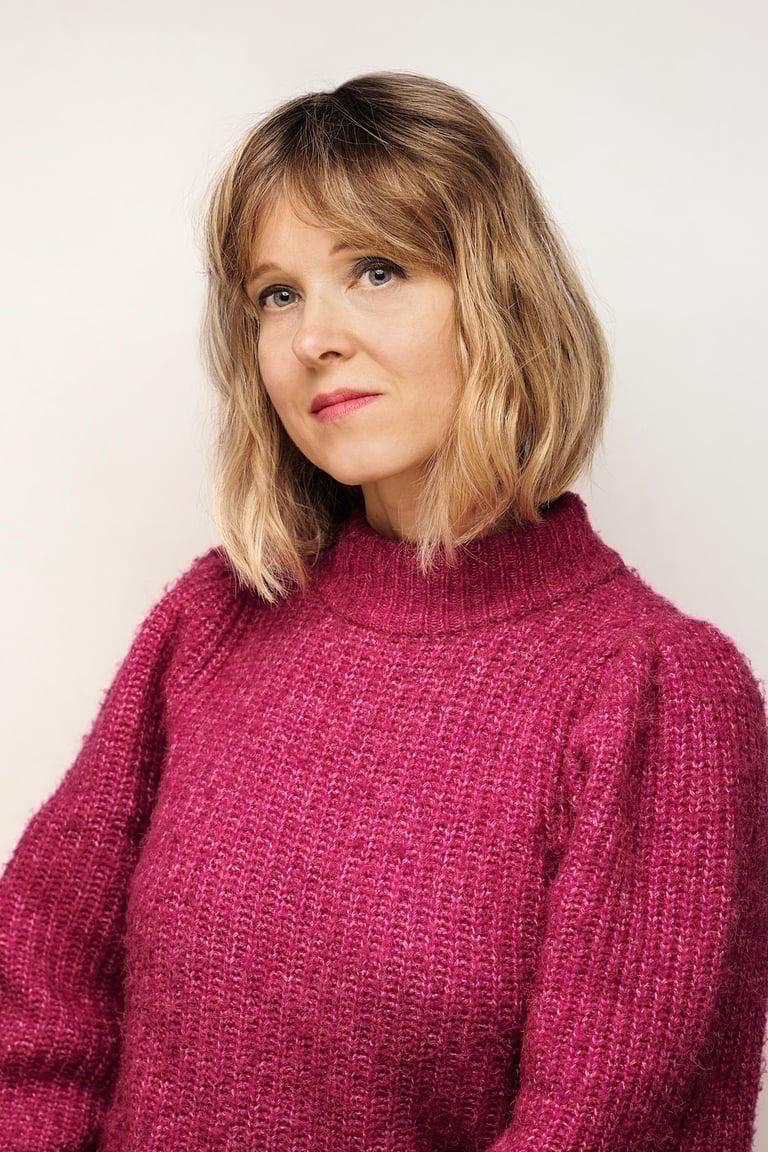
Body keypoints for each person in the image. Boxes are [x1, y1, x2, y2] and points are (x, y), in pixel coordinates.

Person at [1, 70, 767, 1152]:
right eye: (277, 293)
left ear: (500, 296)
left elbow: (605, 1127)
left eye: (376, 269)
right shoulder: (217, 618)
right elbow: (37, 994)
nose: (315, 336)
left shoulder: (654, 692)